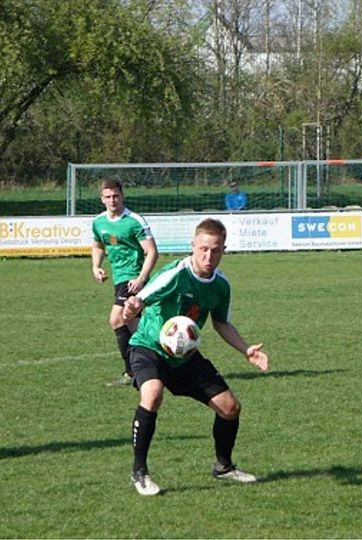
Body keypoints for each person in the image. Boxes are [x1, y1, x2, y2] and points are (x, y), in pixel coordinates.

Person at [121, 218, 269, 496]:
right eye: (203, 249)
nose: (208, 256)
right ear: (193, 246)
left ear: (224, 249)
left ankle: (224, 467)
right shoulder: (177, 273)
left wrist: (246, 350)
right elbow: (142, 298)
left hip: (185, 355)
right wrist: (132, 306)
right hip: (149, 347)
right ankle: (139, 472)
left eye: (215, 250)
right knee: (152, 394)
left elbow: (221, 323)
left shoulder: (221, 286)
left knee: (230, 408)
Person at [91, 180, 159, 386]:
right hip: (119, 278)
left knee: (117, 319)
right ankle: (159, 360)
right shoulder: (99, 222)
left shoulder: (134, 221)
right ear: (102, 199)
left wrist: (140, 279)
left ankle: (132, 372)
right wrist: (96, 266)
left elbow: (152, 252)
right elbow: (98, 245)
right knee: (134, 325)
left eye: (116, 196)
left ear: (123, 196)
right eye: (108, 197)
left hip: (133, 278)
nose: (112, 200)